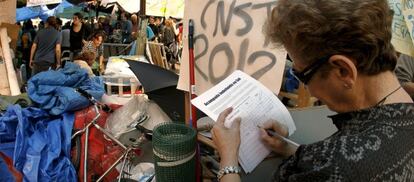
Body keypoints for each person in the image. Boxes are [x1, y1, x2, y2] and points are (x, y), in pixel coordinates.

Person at [212, 0, 414, 181]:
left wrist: (228, 161)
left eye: (302, 76)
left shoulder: (338, 166)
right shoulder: (403, 114)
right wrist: (289, 148)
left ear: (343, 71)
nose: (310, 91)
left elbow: (339, 167)